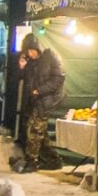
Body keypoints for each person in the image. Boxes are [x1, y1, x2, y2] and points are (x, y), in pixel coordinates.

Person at [18, 35, 67, 172]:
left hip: (48, 100)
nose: (31, 54)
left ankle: (32, 162)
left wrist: (39, 90)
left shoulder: (50, 56)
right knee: (41, 133)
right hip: (36, 101)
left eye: (33, 50)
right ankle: (54, 160)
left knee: (34, 130)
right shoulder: (30, 63)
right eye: (28, 51)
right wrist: (22, 67)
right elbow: (23, 80)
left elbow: (58, 78)